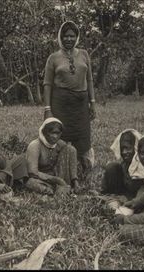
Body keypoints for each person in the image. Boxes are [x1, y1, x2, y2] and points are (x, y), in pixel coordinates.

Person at [43, 20, 96, 173]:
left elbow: (90, 79)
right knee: (59, 134)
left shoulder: (84, 54)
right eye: (65, 36)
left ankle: (82, 167)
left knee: (83, 135)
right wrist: (48, 109)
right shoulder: (53, 58)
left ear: (77, 37)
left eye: (72, 36)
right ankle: (59, 167)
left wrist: (92, 102)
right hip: (61, 104)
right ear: (60, 37)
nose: (69, 39)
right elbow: (47, 84)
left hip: (81, 104)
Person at [25, 118, 79, 196]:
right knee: (30, 183)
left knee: (70, 149)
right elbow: (32, 172)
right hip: (41, 179)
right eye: (52, 133)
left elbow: (70, 157)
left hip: (57, 176)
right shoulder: (35, 145)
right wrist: (57, 180)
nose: (55, 136)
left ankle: (66, 187)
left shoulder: (60, 144)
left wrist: (75, 180)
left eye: (58, 133)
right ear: (45, 132)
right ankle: (57, 191)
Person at [99, 129, 144, 213]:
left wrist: (130, 201)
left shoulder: (143, 166)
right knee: (112, 167)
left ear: (135, 147)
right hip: (123, 194)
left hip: (137, 199)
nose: (124, 152)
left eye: (128, 148)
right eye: (122, 149)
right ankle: (111, 199)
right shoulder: (124, 165)